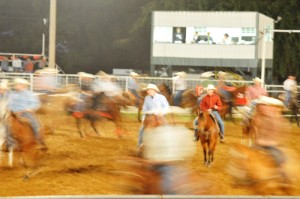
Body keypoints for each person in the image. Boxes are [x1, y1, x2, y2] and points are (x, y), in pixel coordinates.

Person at [8, 78, 47, 149]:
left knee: (35, 124)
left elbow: (36, 104)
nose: (16, 86)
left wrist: (27, 109)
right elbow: (9, 104)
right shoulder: (12, 94)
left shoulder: (30, 94)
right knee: (6, 125)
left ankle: (39, 140)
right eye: (16, 84)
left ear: (23, 85)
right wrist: (11, 111)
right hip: (13, 114)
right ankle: (10, 143)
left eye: (17, 84)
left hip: (25, 113)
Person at [137, 83, 170, 151]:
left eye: (149, 89)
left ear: (154, 90)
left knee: (167, 128)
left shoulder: (161, 97)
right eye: (148, 90)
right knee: (141, 130)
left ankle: (168, 145)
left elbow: (166, 107)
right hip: (149, 117)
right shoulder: (147, 98)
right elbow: (145, 109)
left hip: (160, 116)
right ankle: (140, 144)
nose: (148, 91)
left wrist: (162, 112)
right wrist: (144, 119)